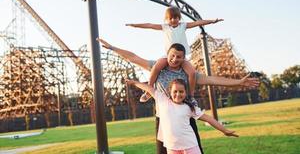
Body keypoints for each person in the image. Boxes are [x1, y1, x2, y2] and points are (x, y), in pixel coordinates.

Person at [97, 38, 260, 154]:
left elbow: (213, 79)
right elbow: (133, 57)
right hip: (164, 118)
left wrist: (239, 82)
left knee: (194, 149)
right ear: (167, 54)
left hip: (186, 115)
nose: (175, 59)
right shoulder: (158, 67)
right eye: (172, 55)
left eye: (179, 57)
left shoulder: (188, 72)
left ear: (184, 58)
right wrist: (112, 47)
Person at [126, 6, 224, 103]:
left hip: (181, 57)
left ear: (179, 18)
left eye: (175, 18)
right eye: (170, 18)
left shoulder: (183, 26)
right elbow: (149, 25)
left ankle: (190, 95)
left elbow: (198, 23)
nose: (173, 20)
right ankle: (148, 91)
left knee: (192, 73)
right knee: (156, 68)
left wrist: (212, 21)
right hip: (169, 56)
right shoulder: (165, 27)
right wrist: (135, 25)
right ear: (166, 19)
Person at [126, 78, 238, 154]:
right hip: (172, 147)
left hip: (190, 146)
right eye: (175, 91)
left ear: (185, 92)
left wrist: (224, 130)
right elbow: (148, 88)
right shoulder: (162, 100)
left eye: (181, 92)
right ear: (170, 92)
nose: (178, 94)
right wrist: (133, 82)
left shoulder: (189, 107)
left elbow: (208, 118)